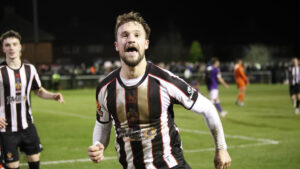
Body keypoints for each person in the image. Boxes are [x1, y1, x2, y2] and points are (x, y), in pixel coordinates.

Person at [88, 11, 231, 169]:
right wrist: (98, 144)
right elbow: (102, 124)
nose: (130, 39)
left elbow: (208, 108)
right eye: (124, 35)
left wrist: (221, 148)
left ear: (146, 44)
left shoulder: (165, 80)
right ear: (116, 45)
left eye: (137, 35)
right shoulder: (105, 88)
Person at [0, 30, 64, 169]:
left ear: (20, 47)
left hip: (27, 125)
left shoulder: (30, 69)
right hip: (7, 129)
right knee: (12, 166)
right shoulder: (0, 71)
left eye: (14, 44)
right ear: (3, 48)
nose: (11, 48)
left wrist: (53, 96)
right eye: (8, 45)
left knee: (35, 160)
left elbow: (38, 91)